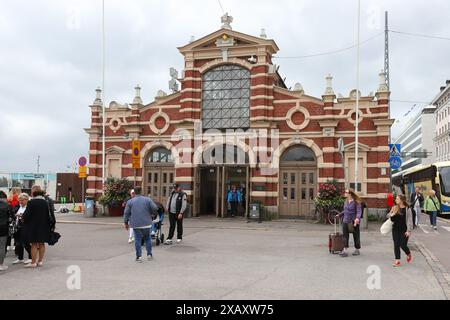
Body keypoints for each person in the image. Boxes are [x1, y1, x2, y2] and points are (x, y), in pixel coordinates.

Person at [21, 185, 56, 268]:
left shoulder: (31, 202)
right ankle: (40, 261)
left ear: (33, 193)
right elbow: (49, 214)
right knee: (42, 243)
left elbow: (27, 215)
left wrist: (22, 217)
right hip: (44, 225)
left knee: (33, 244)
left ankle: (33, 262)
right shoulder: (45, 202)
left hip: (33, 226)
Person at [123, 187, 158, 262]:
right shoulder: (147, 199)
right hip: (146, 223)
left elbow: (126, 213)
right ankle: (149, 254)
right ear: (141, 191)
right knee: (147, 238)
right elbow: (155, 208)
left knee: (137, 240)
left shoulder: (130, 201)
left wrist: (126, 223)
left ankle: (139, 256)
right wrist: (152, 214)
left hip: (136, 224)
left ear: (134, 192)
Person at [387, 195, 413, 267]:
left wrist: (409, 231)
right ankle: (397, 260)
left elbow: (410, 221)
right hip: (395, 229)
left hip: (404, 230)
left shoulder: (407, 209)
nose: (396, 200)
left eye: (397, 199)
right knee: (396, 245)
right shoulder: (394, 207)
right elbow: (388, 216)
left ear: (402, 200)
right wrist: (392, 213)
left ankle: (408, 253)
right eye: (396, 199)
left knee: (403, 245)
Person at [336, 189, 362, 257]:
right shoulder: (346, 201)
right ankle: (345, 250)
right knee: (345, 236)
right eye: (345, 192)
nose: (345, 193)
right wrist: (339, 215)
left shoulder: (356, 202)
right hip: (345, 220)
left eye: (346, 192)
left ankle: (357, 249)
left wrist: (357, 218)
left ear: (350, 194)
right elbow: (345, 211)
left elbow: (359, 211)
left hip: (354, 221)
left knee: (356, 236)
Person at [12, 193, 32, 264]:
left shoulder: (29, 207)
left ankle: (31, 257)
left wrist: (21, 215)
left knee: (25, 243)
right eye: (19, 200)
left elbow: (30, 217)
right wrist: (15, 215)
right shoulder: (18, 206)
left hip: (26, 226)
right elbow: (13, 213)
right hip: (18, 226)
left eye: (22, 200)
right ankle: (20, 258)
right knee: (18, 243)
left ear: (26, 200)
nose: (20, 202)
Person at [0, 191, 14, 271]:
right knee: (1, 247)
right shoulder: (8, 205)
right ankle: (0, 265)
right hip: (3, 228)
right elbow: (11, 217)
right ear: (4, 198)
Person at [6, 187, 21, 252]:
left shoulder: (9, 198)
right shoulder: (19, 198)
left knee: (9, 231)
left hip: (9, 217)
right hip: (17, 216)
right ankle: (15, 245)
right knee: (16, 231)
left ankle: (8, 245)